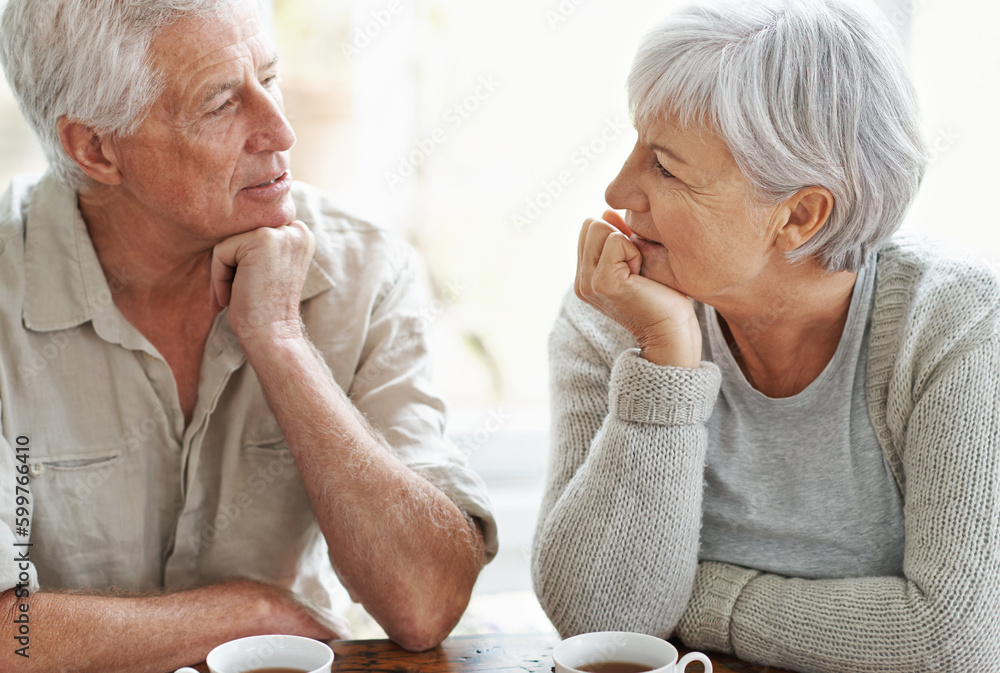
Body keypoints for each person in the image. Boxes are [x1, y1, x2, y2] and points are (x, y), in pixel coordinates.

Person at [0, 0, 497, 670]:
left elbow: (424, 602)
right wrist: (249, 615)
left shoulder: (362, 269)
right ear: (95, 148)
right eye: (221, 102)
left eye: (271, 77)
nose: (282, 130)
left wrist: (282, 342)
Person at [531, 0, 1000, 671]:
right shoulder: (614, 313)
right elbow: (601, 626)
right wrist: (665, 360)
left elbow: (955, 641)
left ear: (800, 216)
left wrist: (695, 597)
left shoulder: (953, 323)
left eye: (665, 168)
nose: (617, 189)